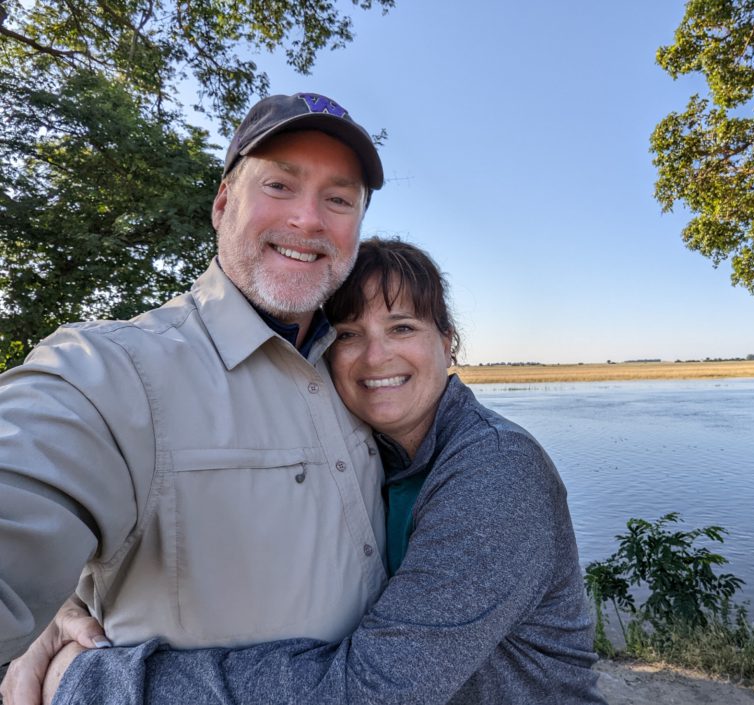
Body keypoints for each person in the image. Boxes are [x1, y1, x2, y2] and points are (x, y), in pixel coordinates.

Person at [35, 238, 606, 705]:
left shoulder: (497, 472)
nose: (376, 356)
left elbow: (374, 692)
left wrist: (88, 683)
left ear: (447, 343)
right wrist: (67, 600)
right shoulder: (370, 450)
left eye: (403, 328)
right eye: (349, 335)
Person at [0, 92, 389, 688]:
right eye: (280, 186)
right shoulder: (112, 372)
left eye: (338, 200)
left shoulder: (361, 373)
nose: (309, 219)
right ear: (223, 202)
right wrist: (47, 601)